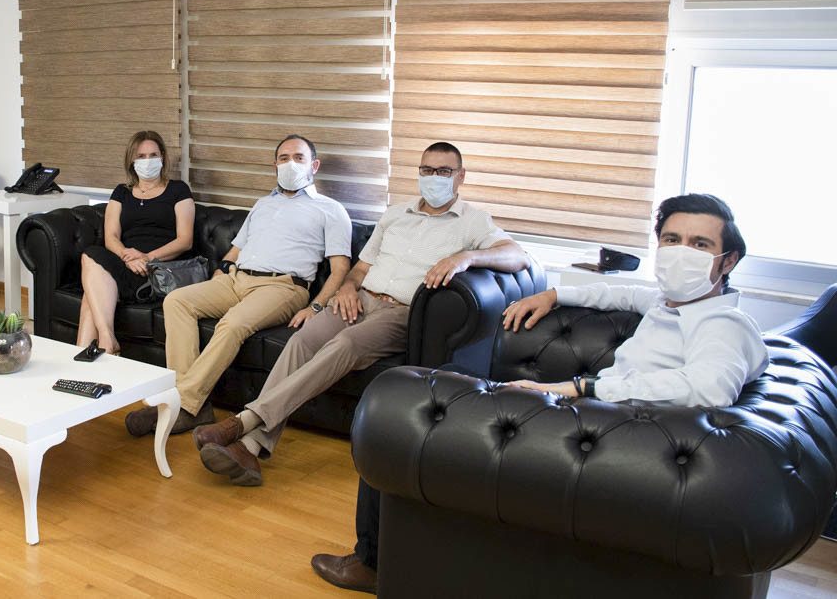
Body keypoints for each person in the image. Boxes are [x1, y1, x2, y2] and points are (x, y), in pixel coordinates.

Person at [310, 193, 769, 594]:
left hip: (612, 444)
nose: (681, 253)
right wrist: (552, 295)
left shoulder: (724, 322)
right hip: (595, 426)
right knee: (435, 380)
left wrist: (578, 387)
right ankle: (384, 557)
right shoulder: (671, 305)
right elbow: (623, 295)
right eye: (671, 240)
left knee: (400, 415)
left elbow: (708, 388)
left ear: (727, 261)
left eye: (699, 244)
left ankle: (372, 563)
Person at [191, 141, 529, 486]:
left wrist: (465, 258)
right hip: (360, 300)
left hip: (401, 312)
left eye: (444, 171)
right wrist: (348, 288)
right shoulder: (395, 214)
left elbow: (518, 256)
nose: (434, 177)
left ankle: (243, 422)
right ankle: (250, 448)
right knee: (302, 340)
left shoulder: (472, 222)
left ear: (461, 176)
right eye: (427, 170)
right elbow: (361, 267)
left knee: (346, 344)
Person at [124, 135, 352, 437]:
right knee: (176, 301)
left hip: (283, 287)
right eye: (284, 158)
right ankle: (194, 406)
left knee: (232, 324)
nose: (291, 164)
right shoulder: (263, 204)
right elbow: (236, 249)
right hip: (236, 279)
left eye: (299, 158)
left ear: (314, 165)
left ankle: (181, 405)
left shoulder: (331, 209)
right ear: (275, 165)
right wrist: (222, 271)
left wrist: (316, 306)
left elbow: (340, 270)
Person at [77, 131, 194, 355]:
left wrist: (147, 257)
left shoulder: (179, 190)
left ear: (162, 157)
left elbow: (185, 240)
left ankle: (92, 351)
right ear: (132, 160)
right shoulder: (121, 192)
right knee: (90, 254)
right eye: (141, 156)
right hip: (126, 264)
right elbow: (111, 237)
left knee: (90, 296)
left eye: (153, 155)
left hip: (157, 270)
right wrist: (127, 257)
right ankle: (106, 340)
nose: (148, 161)